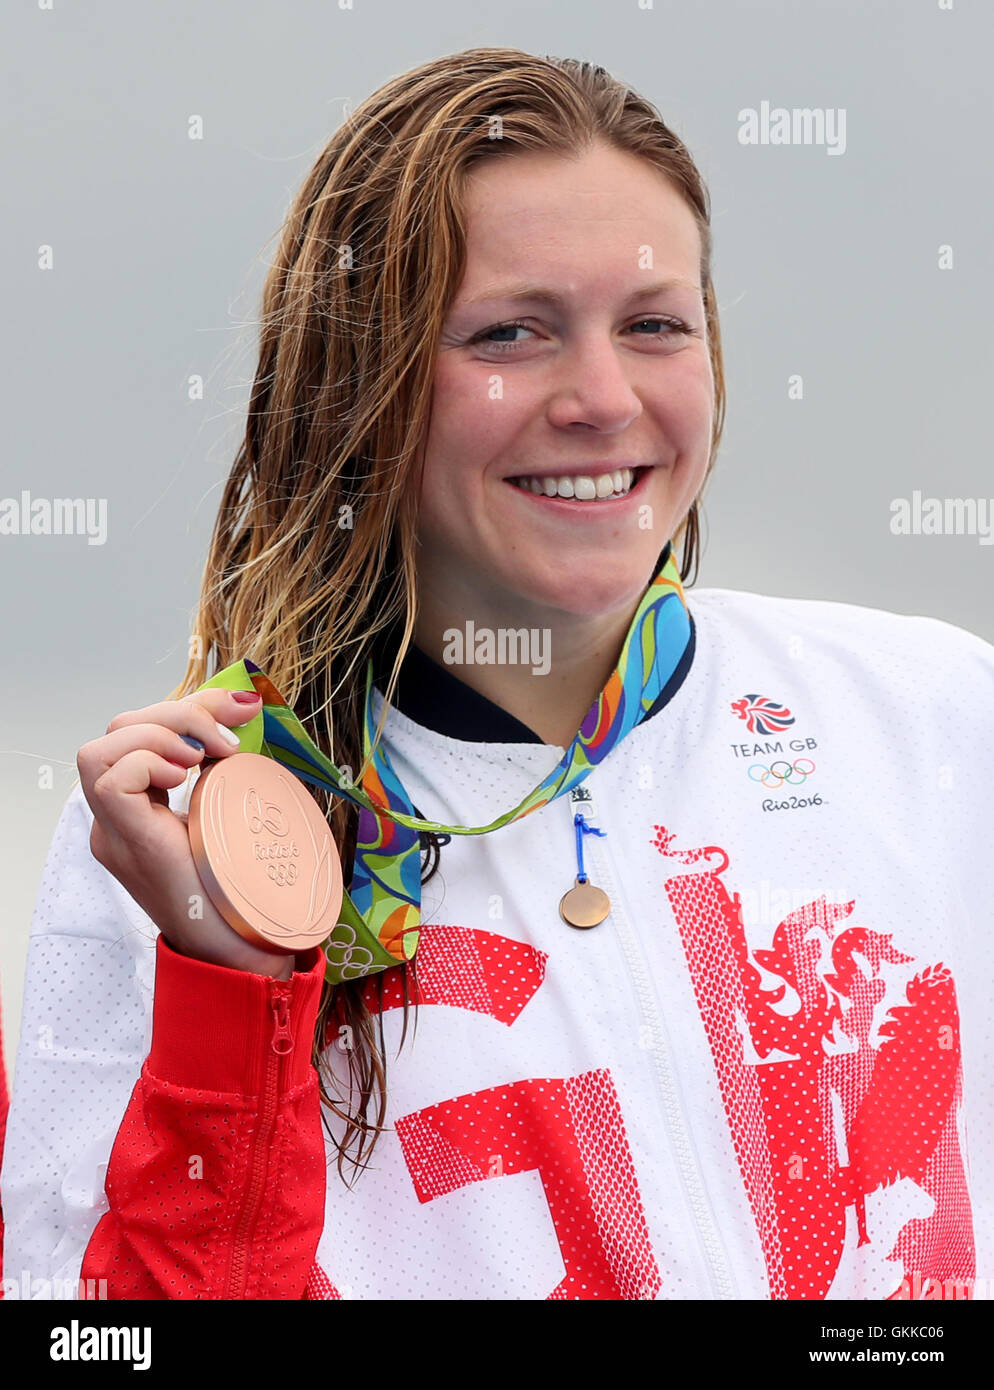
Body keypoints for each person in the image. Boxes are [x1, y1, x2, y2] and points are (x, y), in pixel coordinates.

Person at [2, 47, 992, 1303]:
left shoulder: (935, 722)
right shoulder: (169, 849)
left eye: (654, 326)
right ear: (356, 383)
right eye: (510, 334)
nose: (600, 397)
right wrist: (231, 983)